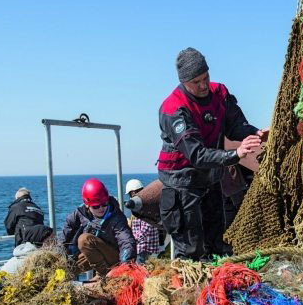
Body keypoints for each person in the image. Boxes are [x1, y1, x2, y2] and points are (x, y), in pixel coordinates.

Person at [157, 47, 267, 260]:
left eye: (205, 77)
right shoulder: (174, 109)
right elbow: (196, 155)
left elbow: (235, 126)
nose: (204, 85)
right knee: (191, 250)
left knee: (217, 244)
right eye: (196, 82)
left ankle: (217, 288)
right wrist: (236, 154)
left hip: (211, 180)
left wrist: (255, 132)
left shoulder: (220, 94)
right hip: (182, 183)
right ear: (184, 82)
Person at [62, 178, 135, 276]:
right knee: (70, 267)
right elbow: (67, 230)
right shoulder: (79, 213)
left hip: (116, 257)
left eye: (104, 204)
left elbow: (126, 240)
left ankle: (106, 275)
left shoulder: (116, 217)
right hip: (98, 254)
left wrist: (125, 264)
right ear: (87, 205)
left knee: (84, 240)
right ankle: (97, 274)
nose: (101, 208)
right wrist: (58, 252)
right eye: (96, 206)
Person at [126, 179, 161, 264]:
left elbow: (147, 227)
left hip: (146, 248)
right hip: (143, 247)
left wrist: (132, 239)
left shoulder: (145, 207)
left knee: (141, 270)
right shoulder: (141, 206)